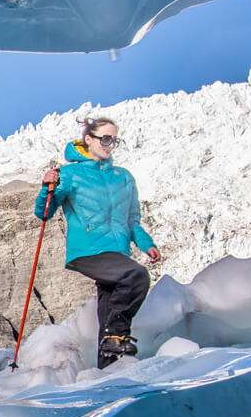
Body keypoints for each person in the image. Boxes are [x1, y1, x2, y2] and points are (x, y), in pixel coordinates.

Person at [37, 116, 162, 369]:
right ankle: (115, 336)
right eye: (105, 138)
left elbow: (132, 220)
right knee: (136, 276)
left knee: (109, 306)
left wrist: (146, 244)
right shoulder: (70, 174)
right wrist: (46, 186)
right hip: (88, 251)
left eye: (114, 139)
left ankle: (108, 368)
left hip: (117, 252)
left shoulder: (124, 177)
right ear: (89, 140)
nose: (110, 144)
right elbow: (45, 212)